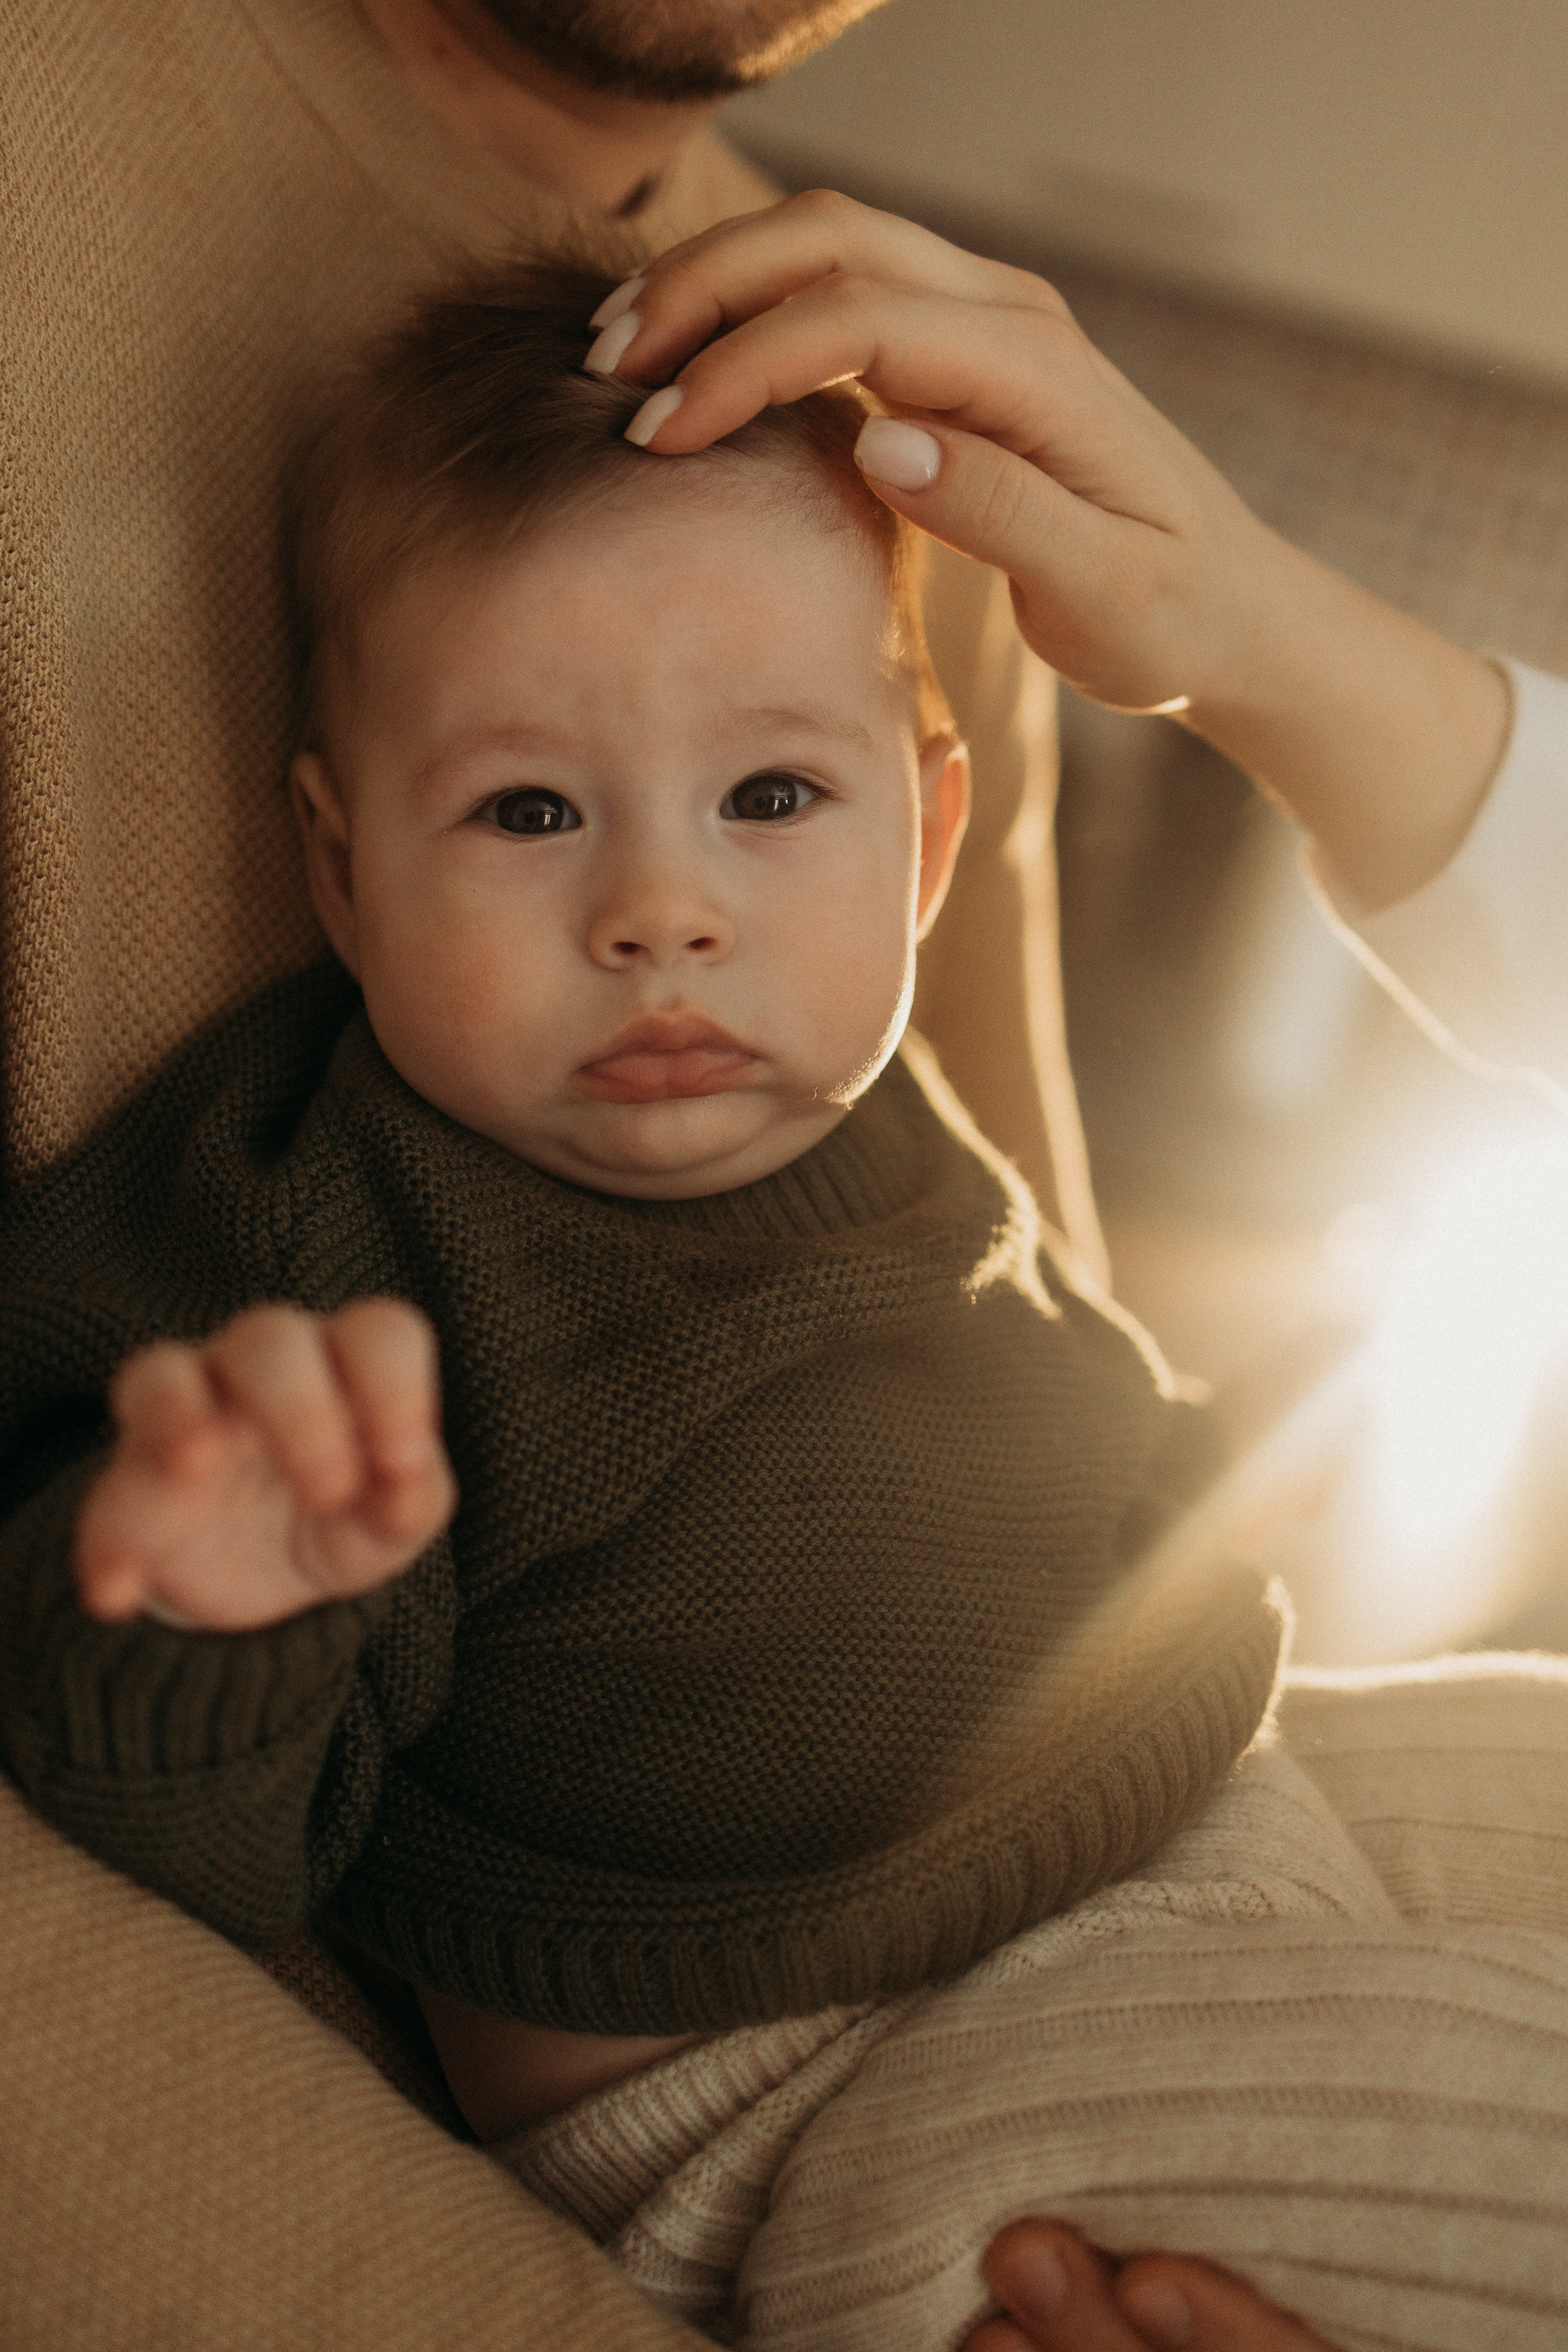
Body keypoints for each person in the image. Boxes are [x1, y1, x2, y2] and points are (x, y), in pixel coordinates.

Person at [0, 251, 1280, 2127]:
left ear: (924, 842)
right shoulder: (311, 1231)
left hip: (1199, 1794)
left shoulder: (852, 1083)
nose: (663, 916)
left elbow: (1042, 1360)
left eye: (771, 799)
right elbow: (172, 1833)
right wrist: (201, 1607)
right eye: (531, 813)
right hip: (784, 2066)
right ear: (341, 871)